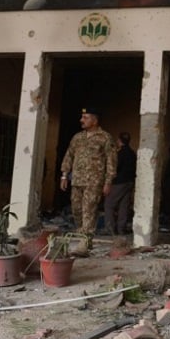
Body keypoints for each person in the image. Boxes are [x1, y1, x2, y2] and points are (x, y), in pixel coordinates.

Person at [60, 107, 117, 256]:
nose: (81, 120)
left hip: (95, 181)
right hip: (77, 179)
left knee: (89, 210)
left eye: (85, 117)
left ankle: (84, 244)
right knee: (76, 210)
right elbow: (69, 155)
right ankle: (83, 237)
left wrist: (108, 181)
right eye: (82, 117)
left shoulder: (105, 138)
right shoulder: (77, 137)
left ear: (95, 120)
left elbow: (111, 161)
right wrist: (64, 175)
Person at [103, 132, 136, 235]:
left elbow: (115, 168)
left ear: (120, 141)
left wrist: (108, 182)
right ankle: (121, 229)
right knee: (123, 206)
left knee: (109, 205)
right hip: (129, 182)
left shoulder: (120, 154)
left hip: (119, 182)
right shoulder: (132, 153)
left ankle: (110, 229)